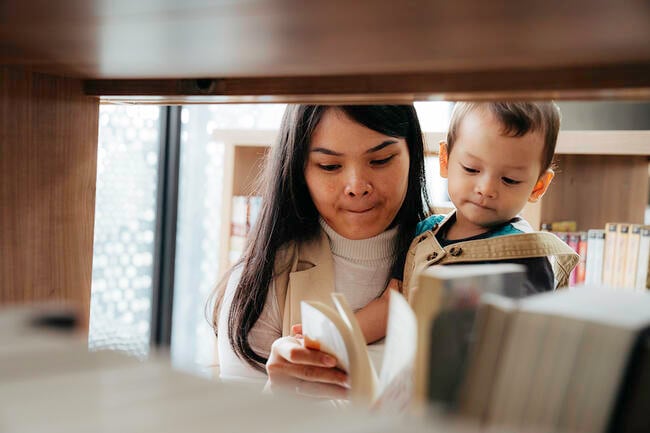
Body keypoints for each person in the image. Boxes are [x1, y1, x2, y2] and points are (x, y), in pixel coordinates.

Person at [213, 105, 430, 397]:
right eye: (329, 166)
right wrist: (277, 394)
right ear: (299, 169)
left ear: (412, 155)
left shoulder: (454, 259)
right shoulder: (262, 280)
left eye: (380, 160)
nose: (356, 186)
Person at [402, 101, 579, 299]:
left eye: (510, 180)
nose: (486, 189)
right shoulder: (423, 233)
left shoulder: (526, 255)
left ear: (538, 186)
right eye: (471, 168)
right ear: (445, 160)